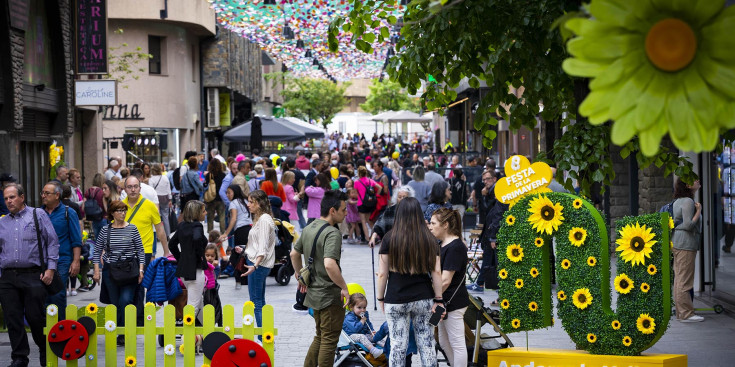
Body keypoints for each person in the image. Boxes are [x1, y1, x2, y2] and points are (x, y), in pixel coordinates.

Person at [377, 197, 443, 367]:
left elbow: (382, 274)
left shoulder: (389, 238)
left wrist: (380, 298)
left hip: (396, 297)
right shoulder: (429, 239)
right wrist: (439, 299)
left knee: (398, 346)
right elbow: (436, 271)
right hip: (424, 298)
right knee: (427, 344)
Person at [0, 183, 59, 367]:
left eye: (12, 197)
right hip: (8, 277)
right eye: (6, 198)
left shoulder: (37, 215)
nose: (9, 201)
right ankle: (19, 357)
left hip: (33, 275)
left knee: (35, 317)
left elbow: (52, 242)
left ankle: (43, 349)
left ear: (22, 197)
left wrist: (50, 268)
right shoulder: (2, 222)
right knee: (13, 318)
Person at [291, 189, 350, 367]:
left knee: (321, 336)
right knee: (330, 340)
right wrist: (344, 287)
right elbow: (330, 264)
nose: (346, 213)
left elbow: (294, 253)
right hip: (329, 295)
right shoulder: (332, 233)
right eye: (343, 209)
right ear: (333, 210)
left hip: (314, 294)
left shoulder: (310, 226)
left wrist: (299, 274)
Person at [92, 200, 145, 345]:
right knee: (115, 303)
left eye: (124, 210)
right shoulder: (105, 230)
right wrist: (97, 271)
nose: (123, 213)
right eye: (119, 210)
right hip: (111, 271)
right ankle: (122, 331)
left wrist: (141, 269)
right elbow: (97, 251)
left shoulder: (132, 229)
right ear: (112, 214)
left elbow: (140, 250)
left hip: (129, 270)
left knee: (125, 300)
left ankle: (122, 333)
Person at [429, 208, 469, 367]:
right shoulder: (442, 244)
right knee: (444, 342)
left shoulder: (455, 246)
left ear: (445, 225)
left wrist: (429, 295)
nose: (430, 227)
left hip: (452, 302)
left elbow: (445, 280)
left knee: (456, 343)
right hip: (442, 302)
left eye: (433, 223)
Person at [233, 190, 276, 328]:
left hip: (258, 264)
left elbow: (262, 247)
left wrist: (255, 265)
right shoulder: (261, 218)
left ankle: (263, 337)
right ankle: (264, 335)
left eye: (251, 202)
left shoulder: (263, 220)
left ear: (259, 204)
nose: (248, 205)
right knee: (259, 301)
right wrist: (245, 249)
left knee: (256, 302)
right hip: (257, 262)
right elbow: (258, 243)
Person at [42, 181, 83, 321]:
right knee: (43, 295)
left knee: (58, 294)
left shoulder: (68, 212)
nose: (43, 196)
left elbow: (76, 239)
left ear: (57, 195)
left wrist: (76, 261)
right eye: (42, 193)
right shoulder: (38, 213)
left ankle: (60, 327)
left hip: (62, 259)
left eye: (47, 193)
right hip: (41, 260)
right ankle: (46, 329)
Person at [169, 200, 208, 323]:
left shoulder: (181, 226)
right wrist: (200, 254)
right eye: (203, 211)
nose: (205, 213)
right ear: (197, 213)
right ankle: (186, 337)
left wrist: (181, 258)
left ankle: (208, 331)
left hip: (184, 270)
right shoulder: (197, 226)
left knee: (198, 302)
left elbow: (172, 244)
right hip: (196, 269)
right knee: (193, 305)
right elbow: (197, 239)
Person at [672, 178, 704, 322]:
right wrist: (699, 211)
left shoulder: (679, 200)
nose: (698, 181)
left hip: (678, 242)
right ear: (687, 185)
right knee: (684, 280)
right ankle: (686, 314)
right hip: (685, 243)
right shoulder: (688, 202)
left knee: (680, 279)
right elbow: (689, 225)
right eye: (694, 179)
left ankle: (681, 312)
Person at [220, 184, 253, 289]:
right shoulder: (245, 201)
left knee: (237, 256)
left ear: (235, 192)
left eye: (229, 192)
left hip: (241, 231)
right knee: (247, 255)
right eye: (227, 193)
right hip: (249, 229)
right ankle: (246, 279)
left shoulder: (233, 203)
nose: (227, 195)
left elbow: (233, 219)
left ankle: (240, 280)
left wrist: (226, 233)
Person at [343, 293, 385, 359]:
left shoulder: (365, 314)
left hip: (363, 335)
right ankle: (373, 350)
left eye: (364, 307)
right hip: (351, 336)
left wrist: (372, 331)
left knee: (375, 336)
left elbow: (369, 324)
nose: (362, 310)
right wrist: (362, 321)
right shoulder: (349, 318)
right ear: (351, 307)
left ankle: (386, 346)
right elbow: (355, 330)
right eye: (359, 307)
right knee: (361, 336)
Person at [354, 166, 382, 243]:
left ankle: (367, 238)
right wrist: (376, 196)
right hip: (370, 203)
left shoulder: (356, 182)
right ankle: (376, 236)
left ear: (359, 173)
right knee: (369, 221)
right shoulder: (370, 181)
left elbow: (356, 193)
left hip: (361, 203)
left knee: (363, 222)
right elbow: (379, 187)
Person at [149, 164, 173, 237]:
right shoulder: (165, 177)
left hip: (156, 199)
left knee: (156, 217)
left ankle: (157, 235)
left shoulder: (151, 179)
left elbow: (151, 191)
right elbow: (168, 189)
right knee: (165, 216)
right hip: (165, 198)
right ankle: (168, 234)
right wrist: (170, 200)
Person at [204, 159, 227, 234]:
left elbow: (205, 186)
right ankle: (223, 233)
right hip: (220, 199)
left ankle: (211, 234)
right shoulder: (223, 175)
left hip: (211, 199)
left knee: (210, 218)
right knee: (222, 218)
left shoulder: (208, 175)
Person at [85, 173, 107, 237]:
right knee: (105, 239)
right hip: (102, 217)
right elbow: (105, 206)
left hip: (93, 218)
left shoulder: (88, 191)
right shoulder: (102, 192)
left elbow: (84, 205)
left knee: (97, 239)